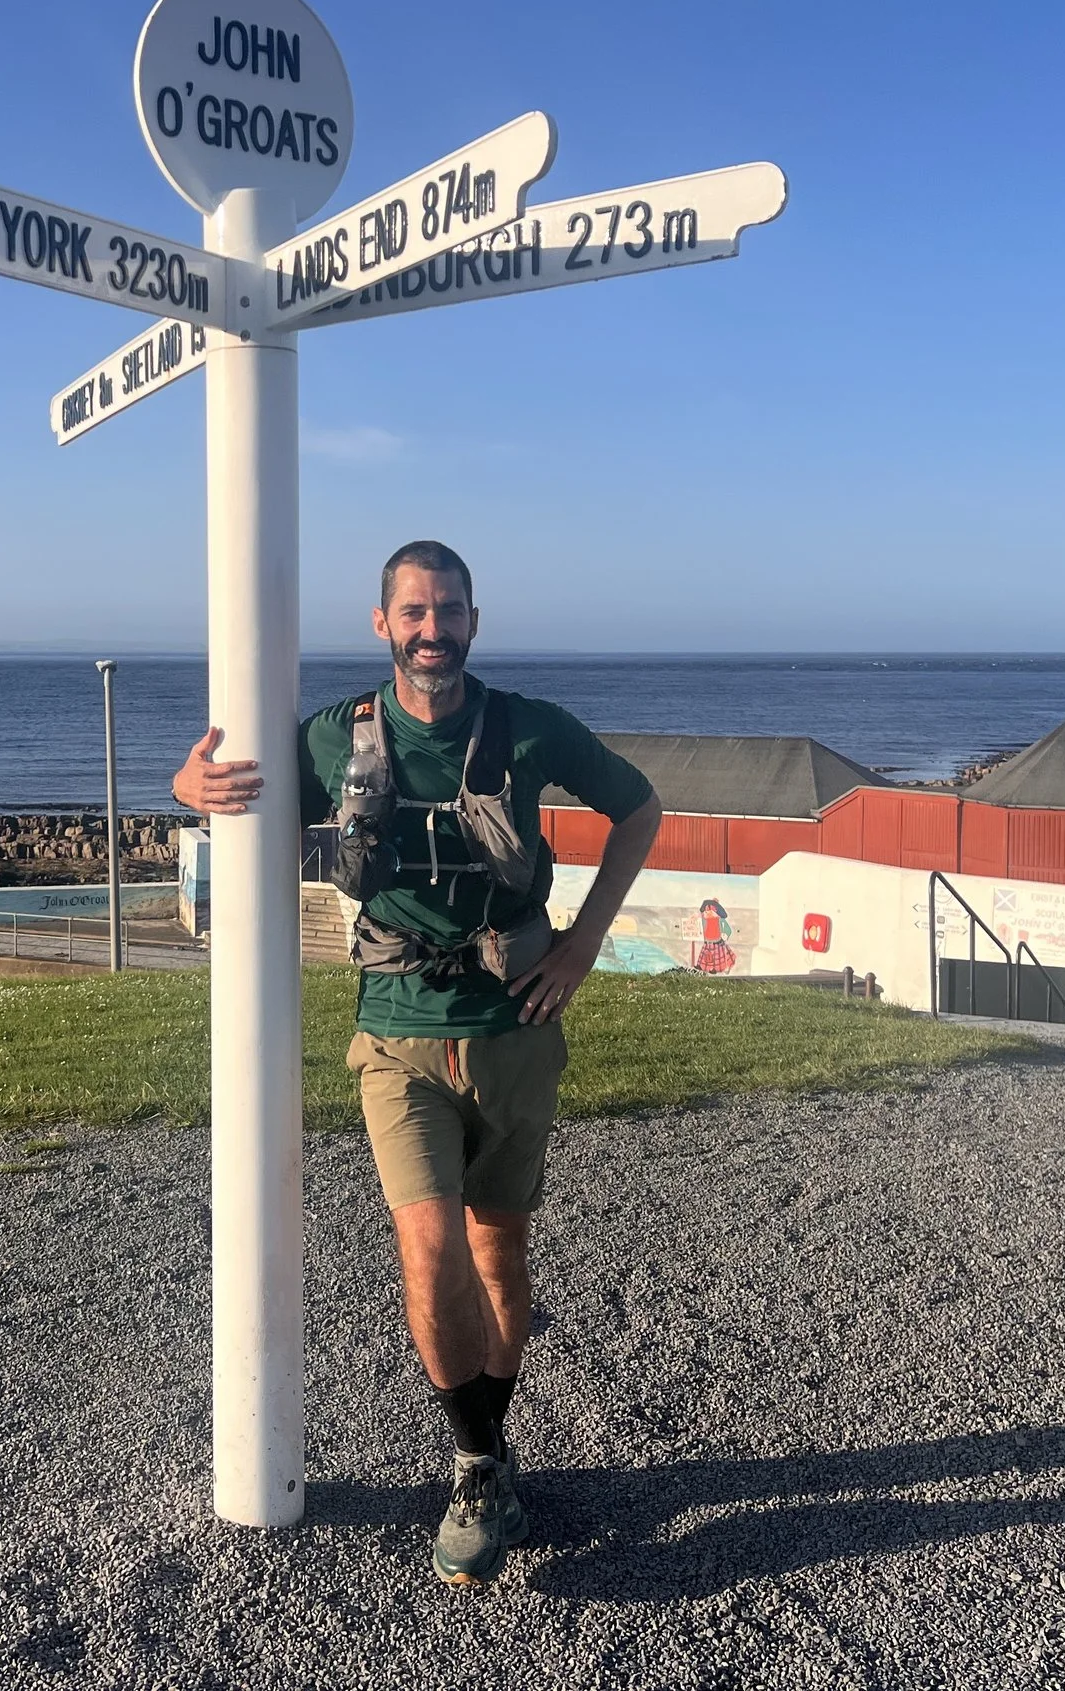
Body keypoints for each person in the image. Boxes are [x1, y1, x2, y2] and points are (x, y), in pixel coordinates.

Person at [172, 540, 663, 1585]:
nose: (430, 629)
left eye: (447, 611)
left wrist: (581, 945)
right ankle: (477, 1464)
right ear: (382, 623)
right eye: (412, 611)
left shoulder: (528, 729)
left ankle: (493, 1442)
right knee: (428, 1249)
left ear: (472, 621)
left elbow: (639, 808)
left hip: (515, 1030)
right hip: (394, 1029)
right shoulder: (332, 737)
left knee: (500, 1258)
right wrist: (188, 788)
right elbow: (238, 794)